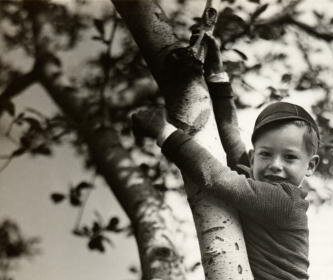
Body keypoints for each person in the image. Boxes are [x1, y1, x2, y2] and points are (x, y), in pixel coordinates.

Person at [132, 35, 320, 280]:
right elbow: (232, 137)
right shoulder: (255, 185)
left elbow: (218, 178)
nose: (275, 165)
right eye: (265, 154)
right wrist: (217, 76)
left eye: (290, 157)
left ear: (311, 165)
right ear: (253, 158)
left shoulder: (285, 201)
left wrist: (165, 133)